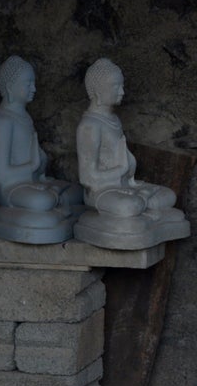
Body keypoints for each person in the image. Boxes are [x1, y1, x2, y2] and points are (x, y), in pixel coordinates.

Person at [73, 57, 189, 249]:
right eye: (116, 86)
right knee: (128, 206)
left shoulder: (114, 120)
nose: (122, 92)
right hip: (102, 192)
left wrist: (129, 179)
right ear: (98, 91)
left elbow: (123, 162)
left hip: (127, 186)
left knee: (169, 196)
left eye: (122, 86)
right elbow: (87, 177)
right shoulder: (89, 126)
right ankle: (144, 209)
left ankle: (144, 209)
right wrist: (120, 170)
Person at [0, 55, 79, 243]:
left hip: (36, 184)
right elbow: (0, 175)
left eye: (33, 83)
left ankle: (56, 206)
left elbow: (36, 162)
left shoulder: (25, 118)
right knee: (41, 202)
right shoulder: (2, 122)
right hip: (12, 189)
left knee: (79, 192)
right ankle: (55, 206)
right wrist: (32, 165)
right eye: (28, 84)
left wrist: (41, 169)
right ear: (10, 87)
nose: (34, 89)